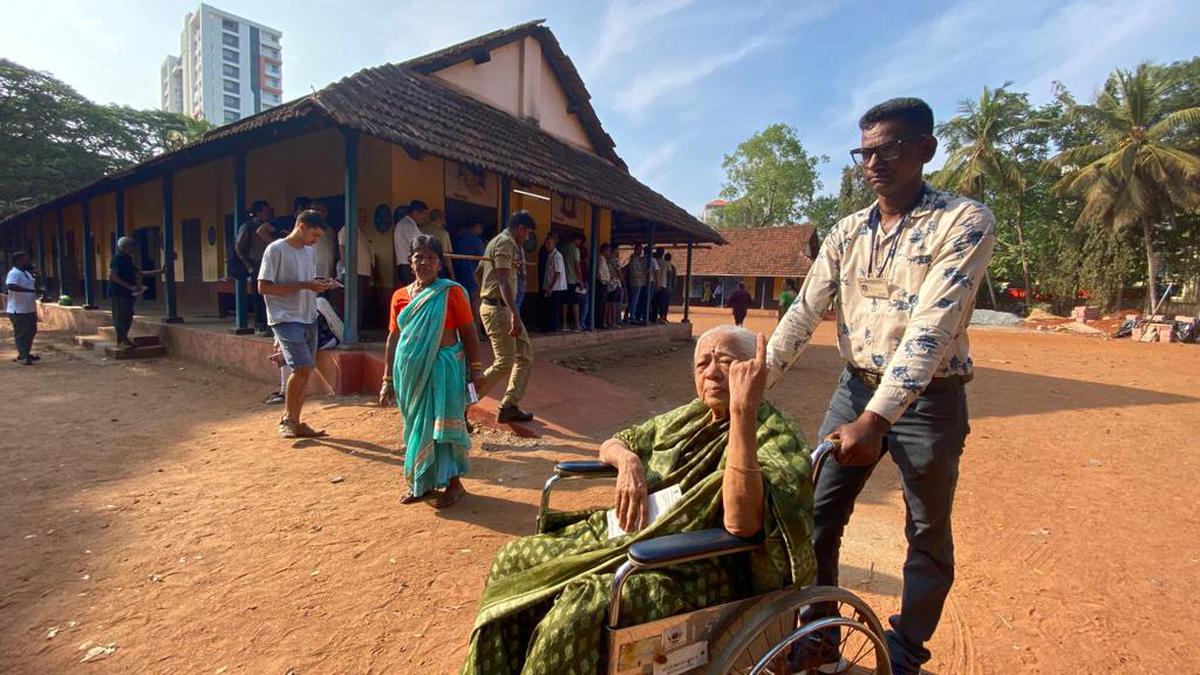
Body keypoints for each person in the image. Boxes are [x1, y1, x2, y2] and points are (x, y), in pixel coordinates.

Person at [766, 97, 996, 675]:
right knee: (816, 512)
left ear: (925, 149)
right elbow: (802, 313)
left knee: (926, 533)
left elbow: (933, 329)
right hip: (854, 387)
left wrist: (877, 419)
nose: (872, 162)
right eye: (864, 151)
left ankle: (904, 653)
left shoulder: (963, 222)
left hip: (931, 400)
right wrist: (754, 385)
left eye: (888, 149)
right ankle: (819, 637)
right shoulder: (846, 232)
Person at [462, 326, 815, 674]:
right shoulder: (687, 417)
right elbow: (618, 440)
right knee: (513, 559)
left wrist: (743, 412)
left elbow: (742, 523)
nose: (711, 372)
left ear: (752, 370)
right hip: (633, 535)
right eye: (702, 363)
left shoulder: (776, 435)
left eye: (725, 361)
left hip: (694, 565)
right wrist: (629, 462)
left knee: (580, 605)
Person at [378, 235, 485, 507]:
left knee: (443, 428)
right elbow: (393, 338)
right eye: (419, 257)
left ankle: (454, 484)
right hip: (409, 374)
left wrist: (476, 368)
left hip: (443, 370)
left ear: (439, 263)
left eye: (431, 257)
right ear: (410, 261)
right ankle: (421, 483)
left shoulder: (451, 292)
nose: (424, 262)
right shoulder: (400, 296)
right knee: (416, 426)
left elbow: (469, 331)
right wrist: (387, 378)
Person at [257, 209, 338, 438]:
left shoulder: (309, 251)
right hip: (285, 317)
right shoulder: (275, 250)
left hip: (308, 315)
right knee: (301, 367)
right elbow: (264, 287)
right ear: (301, 226)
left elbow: (306, 281)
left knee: (305, 369)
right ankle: (288, 419)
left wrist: (320, 284)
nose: (316, 240)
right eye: (315, 234)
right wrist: (305, 285)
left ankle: (296, 420)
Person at [476, 210, 535, 423]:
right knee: (504, 361)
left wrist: (486, 291)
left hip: (496, 306)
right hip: (500, 309)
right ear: (520, 229)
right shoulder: (505, 243)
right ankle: (463, 403)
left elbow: (478, 273)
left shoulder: (495, 242)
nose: (527, 238)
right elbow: (502, 279)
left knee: (525, 354)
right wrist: (514, 314)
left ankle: (510, 405)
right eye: (527, 233)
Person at [265, 297, 343, 405]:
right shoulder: (287, 309)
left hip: (329, 338)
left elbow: (316, 333)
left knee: (288, 351)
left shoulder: (317, 303)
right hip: (309, 342)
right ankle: (285, 391)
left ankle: (285, 393)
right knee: (285, 347)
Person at [234, 200, 276, 335]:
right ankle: (262, 323)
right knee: (260, 295)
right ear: (258, 213)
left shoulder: (270, 227)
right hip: (256, 263)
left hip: (270, 261)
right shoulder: (249, 226)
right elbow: (239, 247)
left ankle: (271, 323)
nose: (268, 214)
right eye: (266, 211)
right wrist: (248, 266)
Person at [107, 237, 146, 350]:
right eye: (131, 246)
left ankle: (124, 338)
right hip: (119, 292)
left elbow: (140, 273)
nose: (133, 248)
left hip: (128, 293)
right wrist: (129, 287)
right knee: (120, 316)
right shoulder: (117, 259)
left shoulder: (128, 259)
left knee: (128, 315)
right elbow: (112, 276)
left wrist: (160, 271)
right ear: (125, 247)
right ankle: (121, 340)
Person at [5, 252, 41, 365]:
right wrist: (30, 291)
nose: (28, 261)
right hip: (18, 309)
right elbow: (10, 286)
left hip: (29, 308)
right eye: (25, 260)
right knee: (21, 333)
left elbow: (33, 285)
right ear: (18, 261)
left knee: (31, 331)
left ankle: (25, 353)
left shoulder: (27, 273)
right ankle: (23, 357)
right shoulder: (14, 273)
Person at [337, 217, 372, 330]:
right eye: (360, 215)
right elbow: (342, 248)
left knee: (361, 304)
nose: (362, 219)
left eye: (364, 216)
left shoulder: (360, 231)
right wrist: (347, 268)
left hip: (363, 272)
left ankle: (358, 330)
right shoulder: (347, 229)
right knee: (354, 305)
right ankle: (352, 331)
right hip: (354, 272)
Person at [451, 222, 486, 336]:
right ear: (476, 226)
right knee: (476, 307)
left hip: (460, 277)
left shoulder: (458, 240)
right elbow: (482, 261)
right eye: (481, 227)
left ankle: (462, 334)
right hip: (473, 277)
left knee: (461, 307)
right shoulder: (477, 241)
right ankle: (477, 333)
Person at [393, 200, 427, 286]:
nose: (424, 217)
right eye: (423, 214)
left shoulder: (409, 224)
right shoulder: (407, 225)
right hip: (407, 266)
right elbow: (418, 245)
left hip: (407, 265)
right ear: (415, 212)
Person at [539, 232, 564, 333]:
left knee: (552, 308)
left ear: (554, 244)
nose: (547, 245)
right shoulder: (550, 255)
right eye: (546, 243)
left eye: (549, 243)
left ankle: (552, 328)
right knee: (547, 308)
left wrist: (550, 288)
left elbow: (557, 273)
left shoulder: (557, 256)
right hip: (548, 286)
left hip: (555, 288)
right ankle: (547, 327)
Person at [421, 209, 456, 281]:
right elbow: (447, 257)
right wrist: (452, 275)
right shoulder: (443, 233)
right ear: (439, 219)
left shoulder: (421, 230)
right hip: (437, 267)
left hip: (421, 264)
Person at [309, 200, 337, 281]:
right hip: (315, 270)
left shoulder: (330, 230)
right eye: (317, 210)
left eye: (323, 211)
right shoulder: (308, 228)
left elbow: (334, 248)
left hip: (328, 269)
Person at [560, 231, 582, 331]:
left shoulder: (564, 249)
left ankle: (564, 324)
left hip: (564, 280)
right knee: (575, 303)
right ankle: (577, 325)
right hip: (573, 280)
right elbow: (577, 265)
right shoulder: (575, 250)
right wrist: (580, 280)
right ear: (577, 239)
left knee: (565, 303)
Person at [595, 242, 616, 329]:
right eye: (608, 251)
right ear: (604, 250)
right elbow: (600, 273)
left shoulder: (604, 259)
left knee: (603, 304)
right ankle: (599, 323)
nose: (609, 252)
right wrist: (604, 281)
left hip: (604, 283)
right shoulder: (600, 259)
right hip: (601, 284)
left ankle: (601, 322)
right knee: (600, 304)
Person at [623, 243, 645, 325]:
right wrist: (644, 272)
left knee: (634, 300)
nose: (640, 251)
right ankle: (632, 317)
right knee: (633, 300)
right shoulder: (633, 260)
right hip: (635, 282)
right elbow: (634, 272)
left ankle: (630, 316)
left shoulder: (637, 259)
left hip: (638, 282)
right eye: (639, 250)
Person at [661, 252, 676, 322]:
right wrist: (672, 286)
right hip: (667, 287)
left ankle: (662, 316)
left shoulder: (662, 264)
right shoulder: (671, 267)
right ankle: (663, 316)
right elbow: (672, 278)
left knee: (662, 302)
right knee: (665, 303)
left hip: (663, 286)